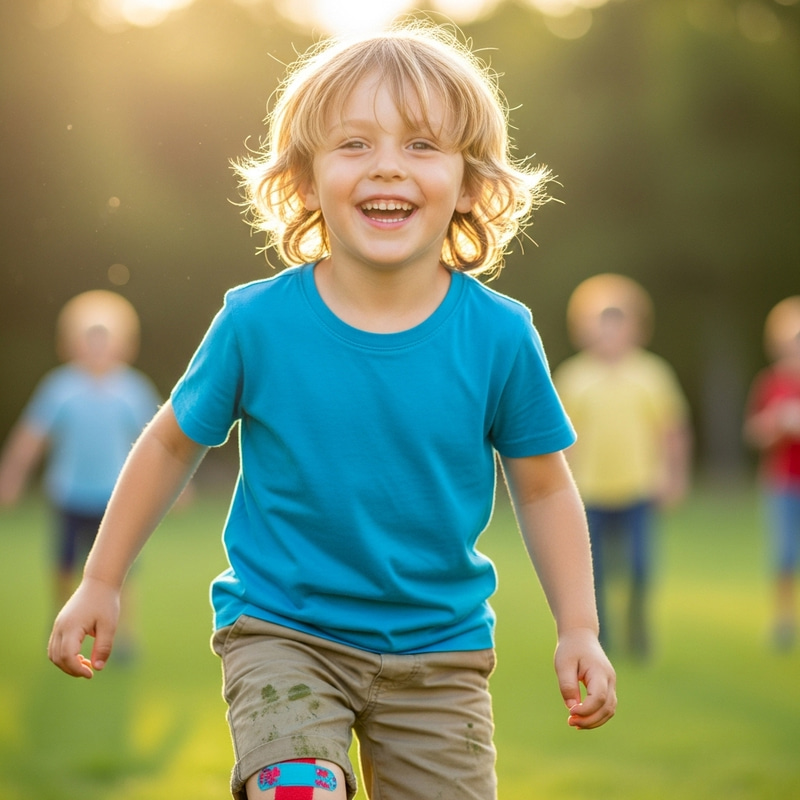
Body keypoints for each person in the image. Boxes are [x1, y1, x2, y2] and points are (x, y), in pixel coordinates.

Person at [47, 23, 616, 800]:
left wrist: (578, 626)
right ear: (306, 181)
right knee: (298, 789)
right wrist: (102, 580)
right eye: (354, 144)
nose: (388, 165)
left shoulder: (499, 335)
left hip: (440, 651)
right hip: (284, 633)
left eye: (422, 145)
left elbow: (545, 486)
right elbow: (169, 445)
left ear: (472, 183)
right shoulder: (257, 324)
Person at [0, 290, 160, 650]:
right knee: (64, 565)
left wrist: (179, 487)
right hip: (69, 494)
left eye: (105, 340)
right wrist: (11, 476)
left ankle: (122, 636)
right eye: (90, 340)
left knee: (122, 570)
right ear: (72, 344)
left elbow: (159, 444)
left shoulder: (132, 389)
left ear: (122, 344)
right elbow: (31, 437)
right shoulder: (60, 387)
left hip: (115, 499)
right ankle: (61, 623)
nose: (97, 348)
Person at [553, 274, 691, 660]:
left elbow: (672, 430)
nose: (609, 333)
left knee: (640, 567)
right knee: (593, 573)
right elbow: (561, 441)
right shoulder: (573, 377)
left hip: (639, 487)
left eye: (618, 324)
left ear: (634, 328)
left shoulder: (652, 373)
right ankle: (602, 637)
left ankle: (638, 632)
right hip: (590, 490)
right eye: (601, 324)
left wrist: (674, 475)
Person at [744, 296, 800, 651]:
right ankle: (782, 620)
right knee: (784, 555)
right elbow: (753, 434)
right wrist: (777, 423)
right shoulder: (771, 384)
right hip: (782, 484)